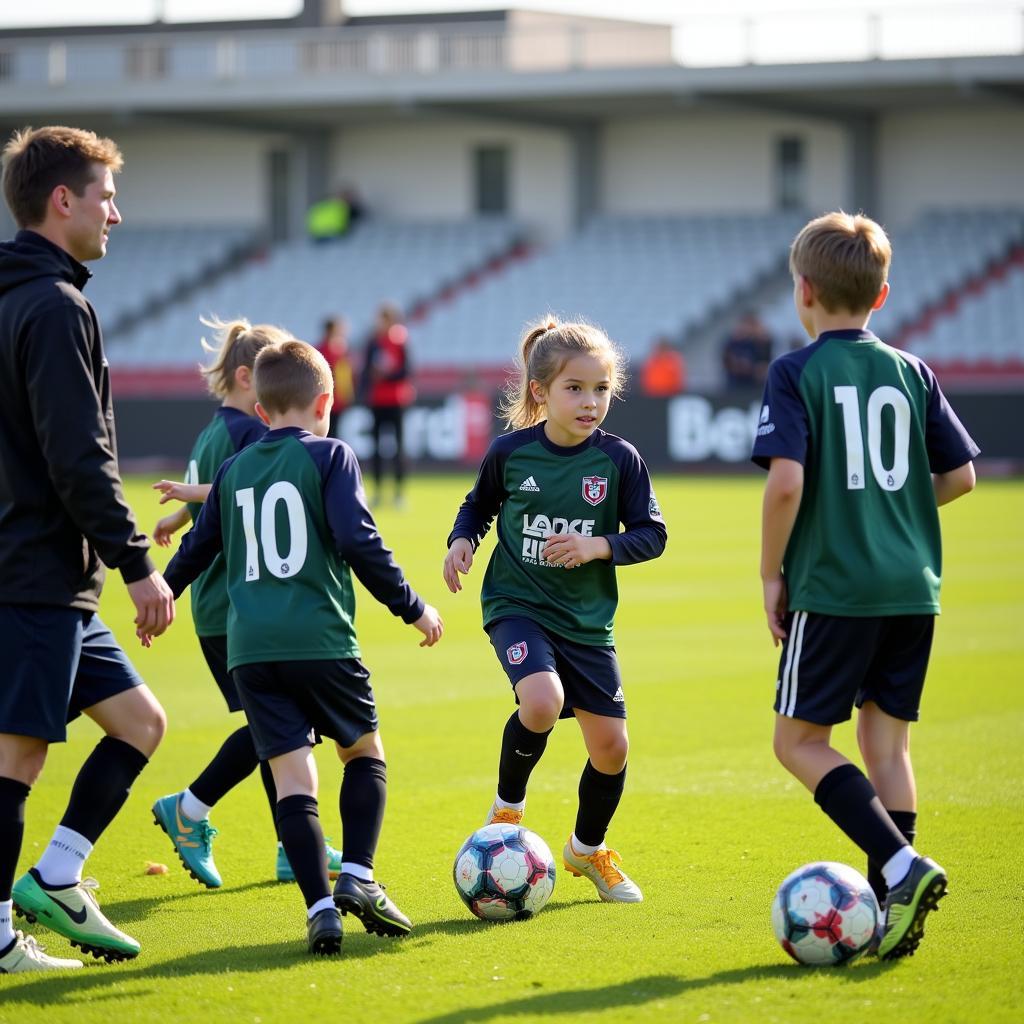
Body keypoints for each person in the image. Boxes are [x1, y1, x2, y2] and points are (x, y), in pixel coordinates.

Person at [154, 339, 443, 955]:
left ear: (260, 412)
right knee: (363, 751)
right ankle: (358, 878)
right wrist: (415, 608)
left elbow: (199, 547)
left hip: (250, 649)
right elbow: (359, 541)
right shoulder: (332, 456)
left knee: (292, 778)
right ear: (326, 401)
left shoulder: (234, 469)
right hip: (321, 639)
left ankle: (320, 909)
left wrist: (164, 595)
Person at [752, 211, 979, 961]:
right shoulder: (914, 371)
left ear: (804, 292)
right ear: (881, 297)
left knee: (798, 741)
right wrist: (894, 512)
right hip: (913, 587)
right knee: (888, 746)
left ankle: (901, 865)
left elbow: (786, 484)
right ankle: (893, 911)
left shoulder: (796, 371)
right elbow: (960, 476)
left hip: (837, 587)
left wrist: (768, 572)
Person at [0, 126, 174, 971]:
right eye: (105, 196)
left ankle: (56, 878)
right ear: (61, 201)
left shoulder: (17, 296)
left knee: (141, 722)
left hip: (50, 574)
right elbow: (80, 459)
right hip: (33, 569)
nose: (117, 212)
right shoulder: (54, 305)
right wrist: (140, 567)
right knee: (19, 752)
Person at [443, 318, 667, 904]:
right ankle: (506, 811)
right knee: (542, 702)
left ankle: (586, 851)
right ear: (541, 391)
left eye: (601, 389)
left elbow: (653, 534)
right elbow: (478, 506)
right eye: (575, 388)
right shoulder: (511, 452)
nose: (590, 401)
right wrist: (461, 540)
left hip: (588, 623)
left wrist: (601, 545)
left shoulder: (620, 460)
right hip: (518, 604)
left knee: (612, 749)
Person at [148, 318, 344, 889]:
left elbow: (212, 487)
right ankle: (188, 808)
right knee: (282, 729)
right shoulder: (245, 434)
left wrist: (177, 511)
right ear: (247, 378)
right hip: (237, 601)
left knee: (281, 730)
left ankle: (291, 847)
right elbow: (251, 485)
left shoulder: (217, 430)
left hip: (224, 603)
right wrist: (188, 503)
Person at [362, 303, 414, 507]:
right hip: (377, 401)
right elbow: (366, 371)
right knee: (376, 448)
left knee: (398, 447)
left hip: (396, 401)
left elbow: (407, 371)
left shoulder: (401, 341)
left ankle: (399, 494)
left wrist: (386, 375)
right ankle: (377, 492)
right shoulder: (373, 342)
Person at [315, 316, 354, 438]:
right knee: (331, 432)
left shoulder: (320, 349)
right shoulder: (332, 350)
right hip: (330, 398)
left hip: (331, 399)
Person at [722, 311, 773, 390]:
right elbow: (728, 362)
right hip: (736, 385)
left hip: (755, 385)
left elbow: (764, 363)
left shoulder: (758, 343)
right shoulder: (732, 343)